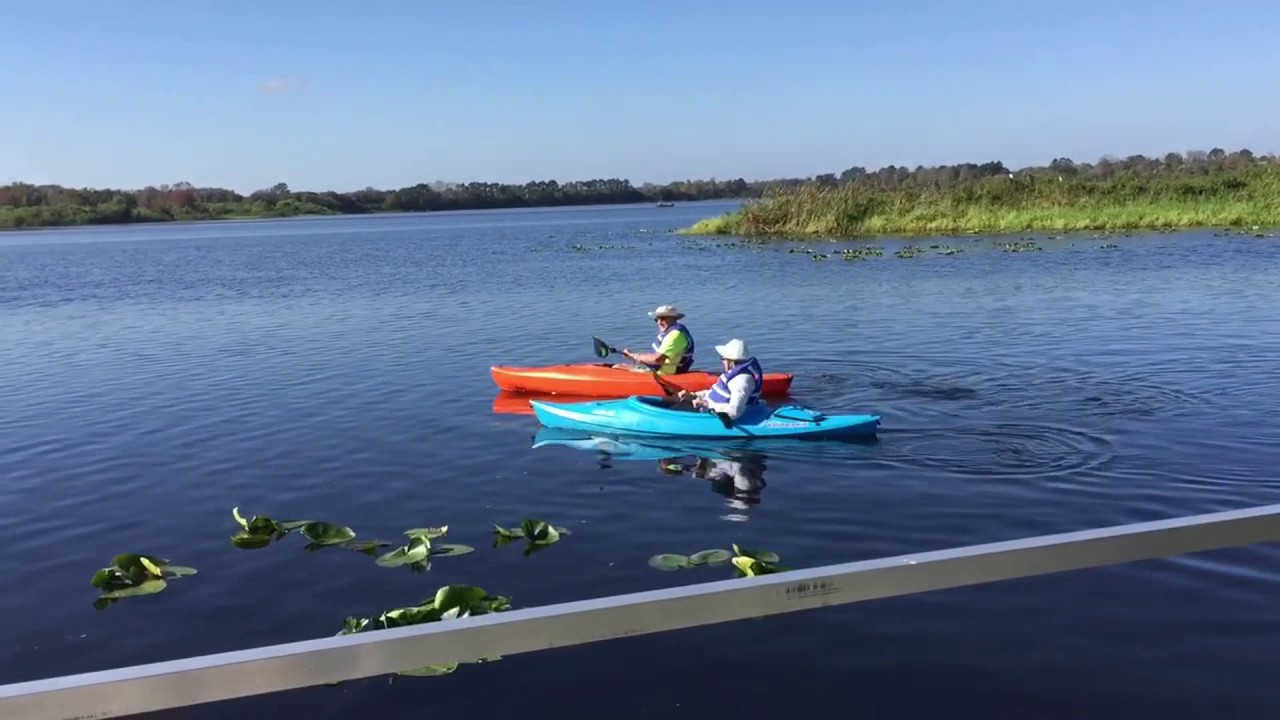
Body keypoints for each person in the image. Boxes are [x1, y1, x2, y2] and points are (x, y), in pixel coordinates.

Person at [676, 338, 763, 421]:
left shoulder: (741, 381)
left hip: (718, 418)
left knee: (675, 409)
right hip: (709, 411)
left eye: (723, 359)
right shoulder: (733, 374)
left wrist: (707, 405)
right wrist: (694, 395)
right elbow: (714, 394)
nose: (722, 362)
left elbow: (735, 412)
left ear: (730, 362)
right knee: (674, 404)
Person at [621, 305, 695, 375]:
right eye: (656, 319)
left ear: (674, 318)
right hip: (659, 370)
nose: (659, 322)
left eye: (663, 318)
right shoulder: (672, 332)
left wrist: (634, 356)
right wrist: (633, 356)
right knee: (620, 366)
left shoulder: (675, 335)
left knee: (618, 367)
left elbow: (657, 359)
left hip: (663, 374)